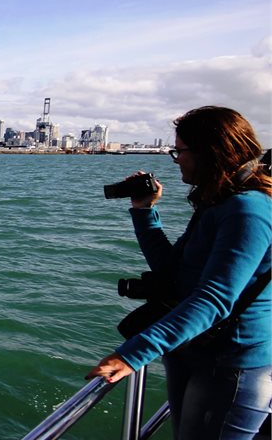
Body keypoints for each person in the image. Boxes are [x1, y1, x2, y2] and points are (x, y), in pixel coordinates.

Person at [86, 106, 272, 439]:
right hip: (196, 350)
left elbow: (214, 298)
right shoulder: (220, 203)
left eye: (180, 152)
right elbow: (174, 273)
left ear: (210, 152)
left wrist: (131, 356)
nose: (177, 160)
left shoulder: (248, 210)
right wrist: (144, 211)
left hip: (232, 365)